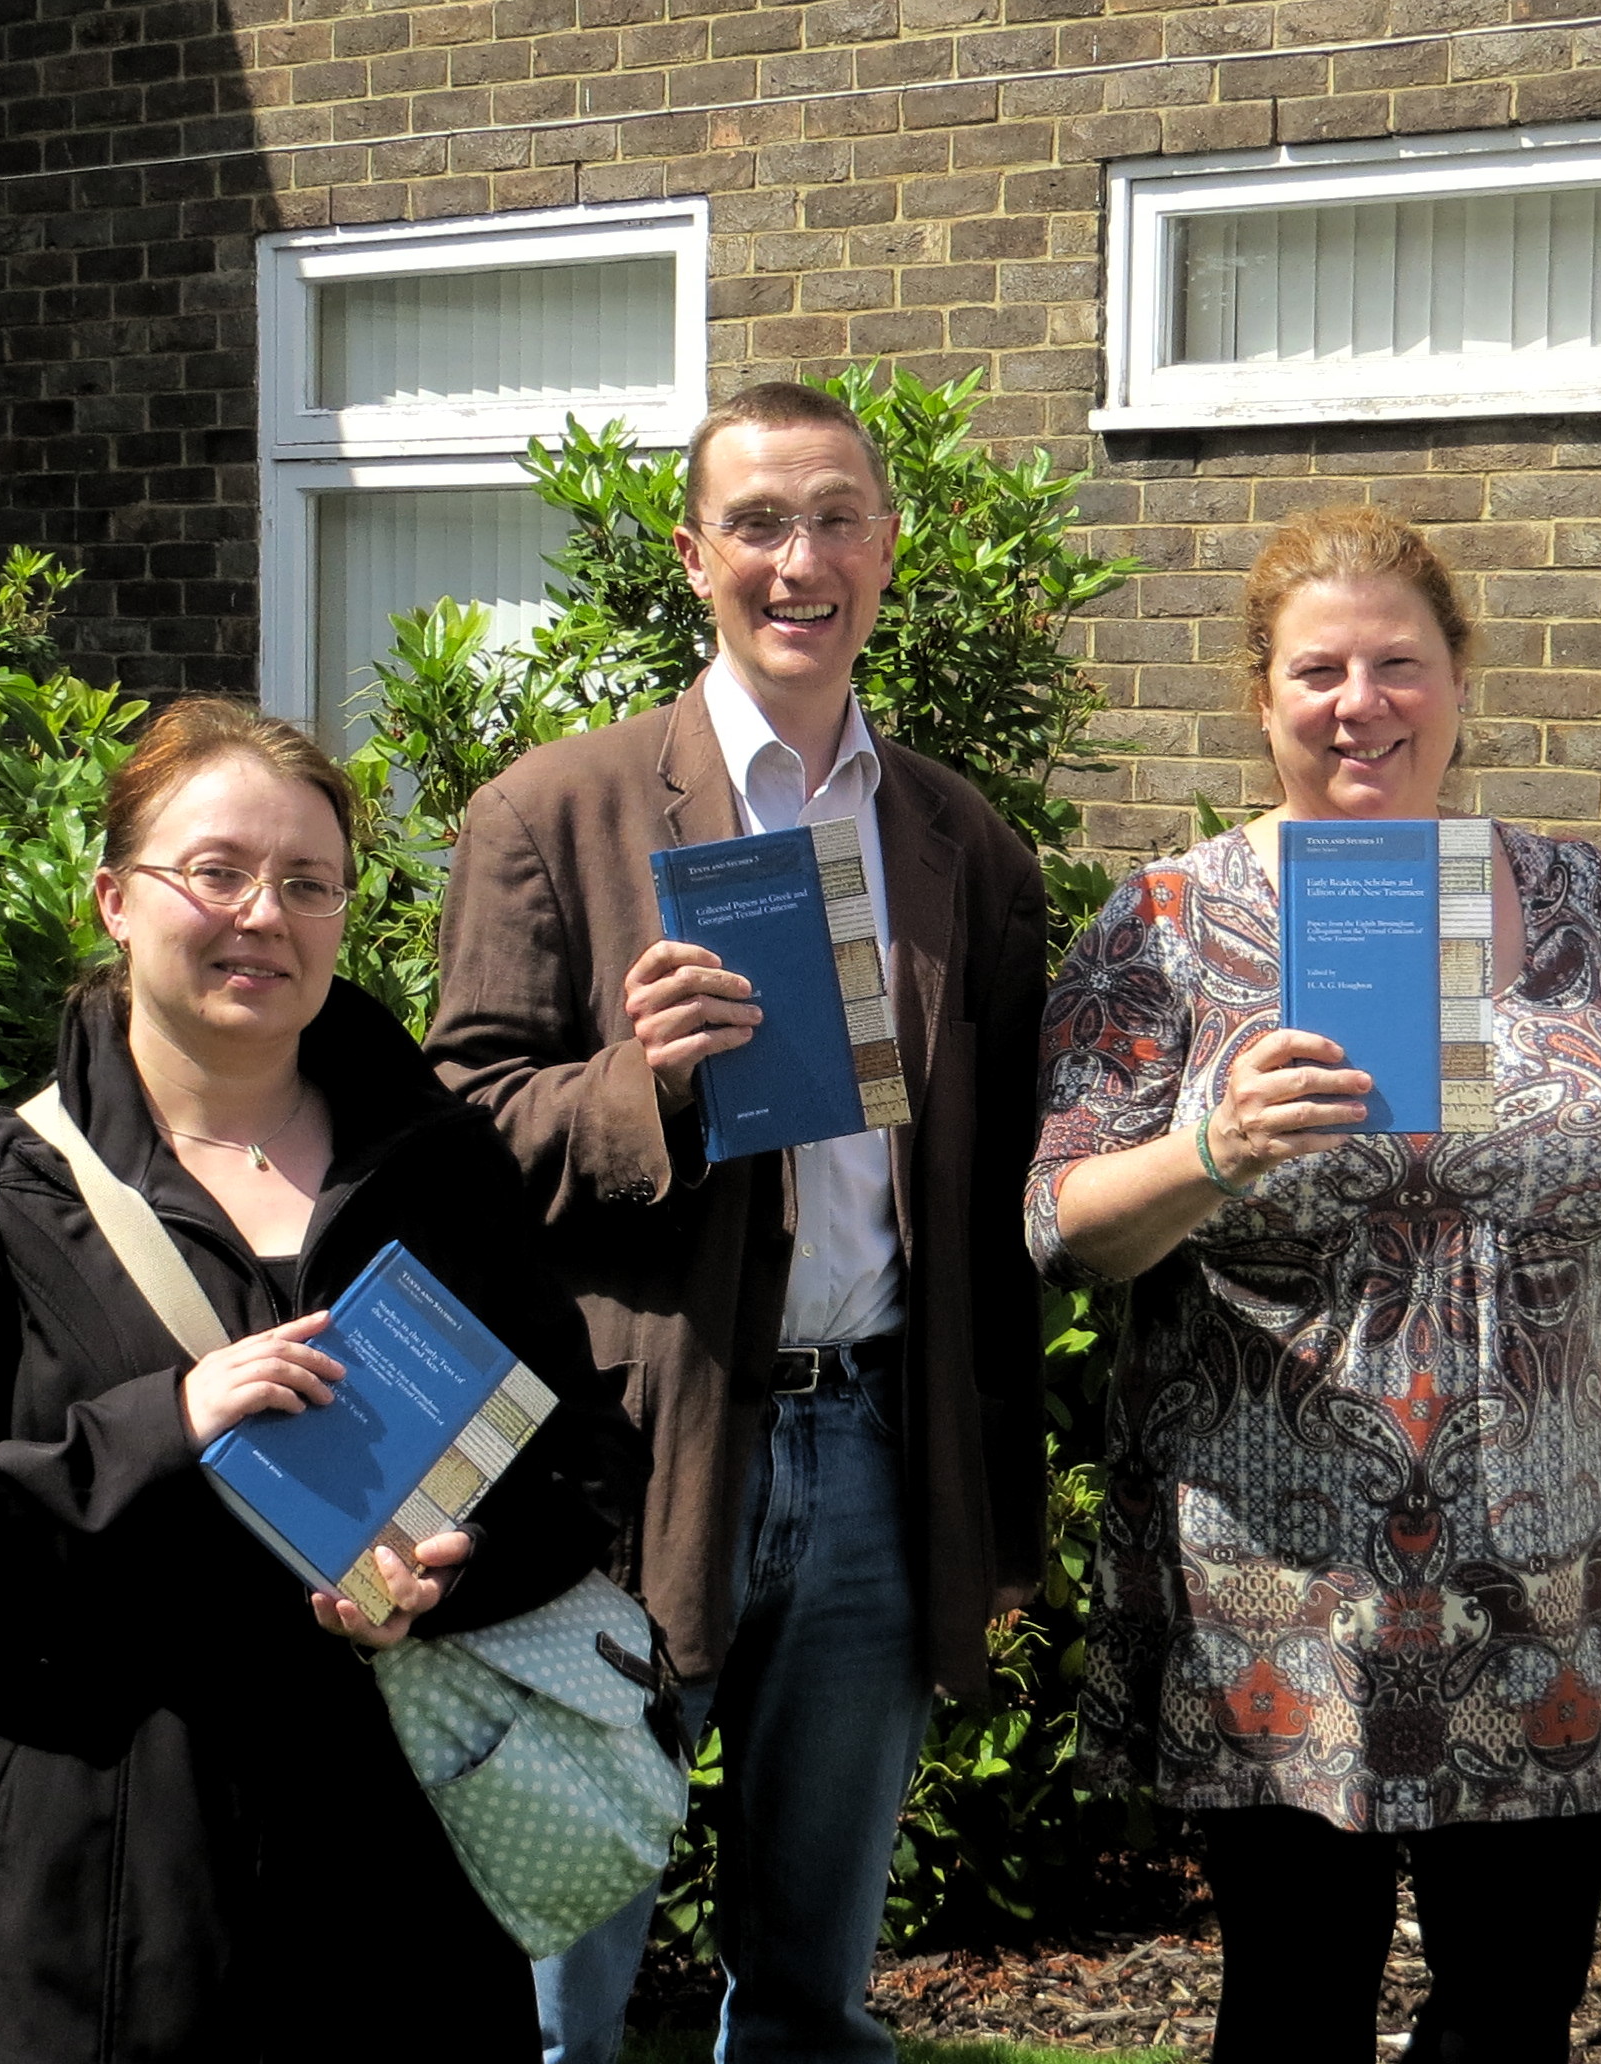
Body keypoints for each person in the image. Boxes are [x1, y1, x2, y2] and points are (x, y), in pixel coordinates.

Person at [0, 698, 635, 2064]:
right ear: (114, 900)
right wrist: (169, 1423)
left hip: (391, 1903)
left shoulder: (440, 1171)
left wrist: (460, 1572)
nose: (265, 914)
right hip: (88, 1903)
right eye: (218, 872)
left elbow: (586, 1457)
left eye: (309, 884)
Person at [424, 380, 1051, 2064]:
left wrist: (989, 1495)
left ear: (889, 548)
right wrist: (651, 1089)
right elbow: (461, 1136)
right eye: (759, 523)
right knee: (563, 2001)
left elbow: (994, 1205)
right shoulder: (557, 813)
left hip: (875, 1456)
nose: (801, 560)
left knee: (811, 2005)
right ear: (694, 554)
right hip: (633, 1455)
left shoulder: (961, 844)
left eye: (837, 518)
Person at [1027, 504, 1601, 2063]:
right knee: (1294, 2018)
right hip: (1281, 1580)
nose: (1360, 705)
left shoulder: (1587, 906)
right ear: (1260, 696)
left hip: (1544, 1566)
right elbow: (1062, 1223)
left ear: (1458, 679)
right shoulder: (1170, 922)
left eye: (1397, 664)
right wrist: (1214, 1148)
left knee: (1517, 2016)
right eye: (1317, 670)